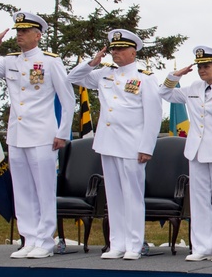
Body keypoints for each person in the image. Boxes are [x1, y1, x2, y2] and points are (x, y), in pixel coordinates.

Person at [0, 12, 76, 259]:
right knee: (22, 190)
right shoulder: (9, 62)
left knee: (43, 189)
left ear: (38, 35)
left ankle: (46, 241)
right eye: (18, 31)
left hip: (43, 135)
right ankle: (28, 238)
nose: (20, 35)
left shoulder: (50, 62)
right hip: (17, 136)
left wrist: (62, 132)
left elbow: (67, 98)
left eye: (25, 31)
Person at [67, 29, 162, 260]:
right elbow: (73, 78)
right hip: (107, 142)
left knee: (132, 195)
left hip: (132, 144)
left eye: (120, 49)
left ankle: (134, 244)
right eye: (113, 49)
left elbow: (153, 115)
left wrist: (146, 147)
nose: (116, 53)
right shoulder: (104, 73)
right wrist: (91, 63)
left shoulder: (144, 77)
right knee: (114, 196)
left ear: (133, 52)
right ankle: (116, 244)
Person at [160, 46, 212, 262]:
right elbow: (164, 93)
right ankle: (201, 246)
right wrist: (174, 76)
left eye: (206, 66)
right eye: (199, 66)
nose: (202, 70)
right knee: (198, 201)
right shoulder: (192, 88)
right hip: (196, 152)